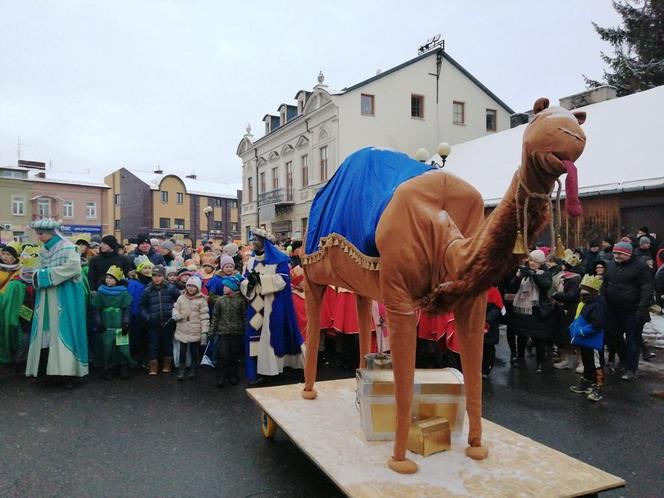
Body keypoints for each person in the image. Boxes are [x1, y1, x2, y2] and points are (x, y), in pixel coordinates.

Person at [25, 218, 88, 382]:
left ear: (51, 233)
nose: (39, 237)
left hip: (64, 298)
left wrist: (45, 276)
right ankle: (49, 372)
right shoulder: (42, 250)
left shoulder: (68, 247)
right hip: (45, 300)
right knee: (46, 334)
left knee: (65, 332)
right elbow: (35, 271)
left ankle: (69, 375)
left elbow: (74, 268)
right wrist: (38, 276)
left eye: (41, 234)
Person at [241, 229, 304, 384]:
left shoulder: (281, 259)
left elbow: (282, 280)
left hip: (273, 306)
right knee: (253, 339)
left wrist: (260, 280)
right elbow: (243, 281)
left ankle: (274, 370)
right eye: (253, 239)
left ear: (264, 242)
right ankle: (255, 372)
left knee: (273, 337)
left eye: (256, 239)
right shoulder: (250, 261)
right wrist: (250, 283)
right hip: (255, 306)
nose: (253, 242)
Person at [602, 241, 654, 381]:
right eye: (614, 253)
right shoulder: (611, 265)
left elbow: (647, 288)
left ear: (628, 254)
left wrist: (642, 307)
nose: (616, 256)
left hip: (633, 309)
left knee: (633, 339)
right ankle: (624, 360)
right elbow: (605, 284)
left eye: (619, 254)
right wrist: (603, 301)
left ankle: (631, 368)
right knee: (614, 337)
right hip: (613, 309)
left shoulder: (640, 267)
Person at [509, 249, 553, 373]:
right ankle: (520, 358)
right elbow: (512, 287)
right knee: (521, 336)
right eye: (531, 260)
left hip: (537, 309)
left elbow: (546, 285)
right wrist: (518, 277)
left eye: (535, 261)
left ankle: (540, 363)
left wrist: (533, 274)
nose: (532, 263)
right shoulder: (523, 272)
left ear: (540, 262)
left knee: (539, 338)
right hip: (522, 309)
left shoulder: (545, 273)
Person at [568, 275, 607, 401]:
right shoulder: (586, 303)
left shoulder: (597, 305)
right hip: (584, 341)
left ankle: (598, 387)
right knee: (587, 362)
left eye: (584, 289)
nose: (581, 291)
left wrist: (582, 331)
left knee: (595, 364)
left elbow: (598, 324)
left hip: (592, 341)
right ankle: (587, 382)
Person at [90, 265, 132, 380]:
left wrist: (126, 322)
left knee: (122, 345)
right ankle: (109, 367)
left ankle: (123, 366)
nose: (108, 280)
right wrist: (98, 322)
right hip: (107, 323)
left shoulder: (123, 293)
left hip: (119, 323)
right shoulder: (101, 292)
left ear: (117, 280)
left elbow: (127, 309)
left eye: (112, 278)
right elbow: (96, 309)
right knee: (107, 346)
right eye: (107, 277)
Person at [210, 258, 246, 387]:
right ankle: (221, 376)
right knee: (222, 355)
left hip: (236, 332)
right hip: (223, 332)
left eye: (226, 286)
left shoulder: (240, 301)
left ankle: (233, 375)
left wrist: (245, 330)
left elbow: (244, 317)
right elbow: (215, 317)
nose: (223, 288)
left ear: (232, 288)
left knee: (234, 356)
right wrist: (212, 332)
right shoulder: (220, 301)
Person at [140, 264, 180, 375]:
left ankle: (168, 363)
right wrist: (147, 317)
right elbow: (142, 305)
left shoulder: (171, 288)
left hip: (167, 321)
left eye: (159, 275)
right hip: (153, 322)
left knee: (167, 343)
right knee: (153, 344)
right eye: (154, 276)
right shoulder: (147, 290)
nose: (156, 278)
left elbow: (179, 301)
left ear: (163, 276)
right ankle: (153, 365)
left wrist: (174, 314)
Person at [172, 276, 209, 381]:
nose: (191, 288)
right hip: (182, 328)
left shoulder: (202, 300)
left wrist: (204, 332)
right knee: (182, 351)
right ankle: (182, 369)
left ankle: (193, 369)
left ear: (198, 287)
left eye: (193, 286)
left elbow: (205, 317)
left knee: (194, 351)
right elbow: (176, 309)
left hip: (195, 329)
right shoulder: (181, 298)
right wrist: (176, 315)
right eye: (189, 286)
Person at [127, 256, 153, 367]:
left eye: (149, 267)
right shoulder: (133, 282)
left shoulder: (153, 281)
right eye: (144, 268)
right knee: (136, 338)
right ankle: (136, 360)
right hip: (136, 314)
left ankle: (146, 360)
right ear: (139, 269)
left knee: (148, 338)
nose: (147, 270)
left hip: (149, 314)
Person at [482, 287, 505, 378]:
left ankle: (486, 369)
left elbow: (498, 309)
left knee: (488, 348)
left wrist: (486, 319)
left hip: (489, 325)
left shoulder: (493, 291)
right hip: (477, 324)